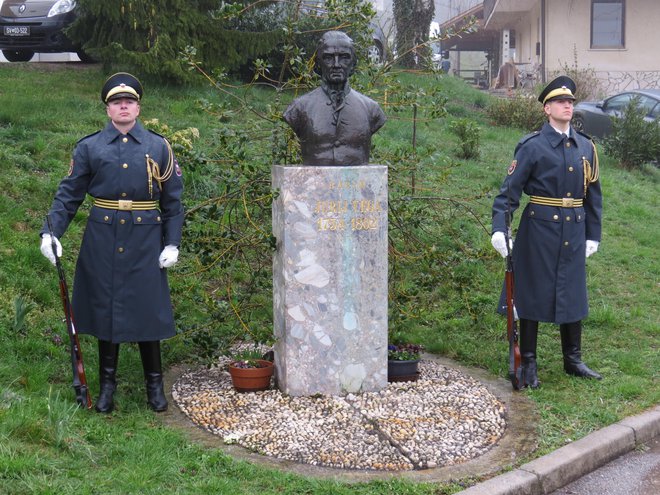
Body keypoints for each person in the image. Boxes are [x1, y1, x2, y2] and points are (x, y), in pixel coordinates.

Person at [40, 72, 184, 412]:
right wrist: (51, 233)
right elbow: (69, 195)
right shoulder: (90, 147)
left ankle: (154, 386)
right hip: (102, 237)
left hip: (146, 239)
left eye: (129, 101)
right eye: (117, 102)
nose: (123, 106)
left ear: (138, 107)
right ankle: (107, 388)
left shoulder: (158, 147)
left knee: (147, 309)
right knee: (107, 309)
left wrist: (172, 243)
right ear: (108, 109)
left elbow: (174, 202)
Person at [491, 76, 602, 388]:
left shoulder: (585, 146)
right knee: (533, 293)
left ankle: (573, 359)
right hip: (539, 229)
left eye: (570, 102)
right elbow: (508, 193)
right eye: (560, 102)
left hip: (576, 228)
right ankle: (527, 361)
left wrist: (593, 234)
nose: (568, 106)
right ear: (547, 108)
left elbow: (594, 195)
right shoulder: (532, 146)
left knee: (573, 289)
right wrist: (500, 228)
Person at [283, 30, 386, 166]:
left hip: (355, 184)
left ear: (353, 63)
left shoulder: (371, 109)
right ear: (318, 63)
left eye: (344, 57)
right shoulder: (300, 108)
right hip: (314, 184)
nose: (336, 64)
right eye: (328, 57)